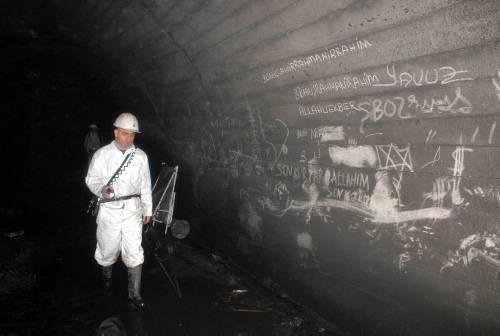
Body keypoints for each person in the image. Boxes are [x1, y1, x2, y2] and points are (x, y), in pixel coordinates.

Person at [85, 112, 152, 309]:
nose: (128, 138)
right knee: (107, 250)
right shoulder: (102, 154)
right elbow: (91, 178)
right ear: (116, 133)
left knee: (134, 252)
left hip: (133, 210)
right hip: (109, 211)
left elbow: (145, 185)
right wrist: (101, 189)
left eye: (132, 134)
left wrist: (147, 208)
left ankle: (135, 295)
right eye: (124, 133)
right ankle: (106, 284)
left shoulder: (140, 157)